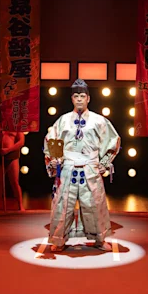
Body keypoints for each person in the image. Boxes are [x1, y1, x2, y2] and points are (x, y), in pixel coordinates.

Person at [43, 79, 121, 252]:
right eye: (76, 96)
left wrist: (105, 163)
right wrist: (54, 160)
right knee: (64, 205)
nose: (79, 99)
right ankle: (59, 240)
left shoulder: (99, 120)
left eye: (82, 96)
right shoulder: (62, 121)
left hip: (90, 167)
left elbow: (113, 141)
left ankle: (99, 239)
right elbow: (51, 141)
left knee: (94, 203)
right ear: (72, 99)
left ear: (88, 98)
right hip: (67, 167)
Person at [0, 122, 26, 212]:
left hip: (12, 154)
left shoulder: (16, 125)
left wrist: (8, 150)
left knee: (14, 181)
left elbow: (21, 142)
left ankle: (20, 205)